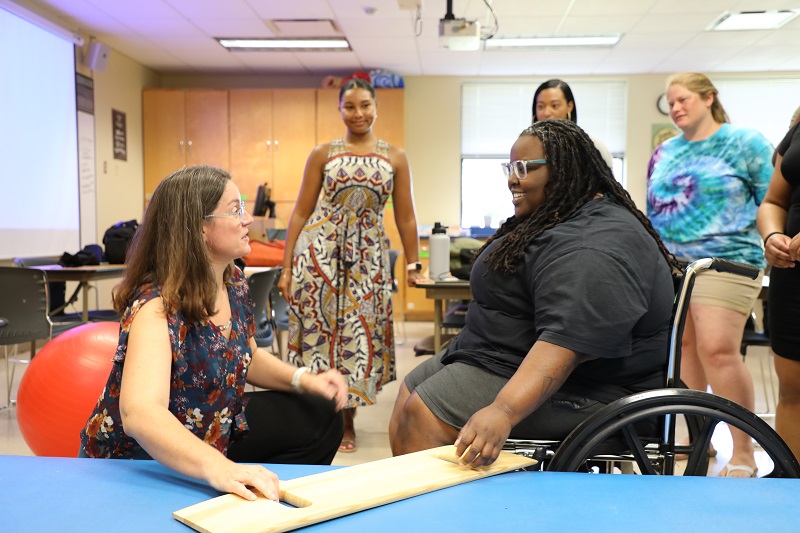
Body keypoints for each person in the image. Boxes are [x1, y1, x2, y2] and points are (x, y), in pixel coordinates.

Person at [389, 119, 676, 466]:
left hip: (593, 390)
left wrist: (504, 410)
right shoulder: (556, 215)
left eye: (524, 168)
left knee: (423, 413)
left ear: (566, 169)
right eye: (510, 167)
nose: (512, 178)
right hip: (502, 355)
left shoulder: (593, 245)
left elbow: (566, 344)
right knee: (408, 391)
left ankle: (444, 519)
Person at [79, 165, 348, 502]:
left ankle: (251, 498)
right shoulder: (156, 307)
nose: (247, 220)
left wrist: (305, 379)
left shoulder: (232, 281)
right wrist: (219, 468)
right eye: (236, 210)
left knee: (321, 413)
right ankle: (221, 487)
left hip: (210, 430)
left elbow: (246, 357)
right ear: (200, 228)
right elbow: (141, 413)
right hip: (140, 460)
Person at [278, 78, 423, 454]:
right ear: (340, 110)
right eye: (350, 107)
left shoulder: (395, 157)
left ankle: (346, 420)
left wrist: (413, 262)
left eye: (365, 106)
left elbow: (406, 217)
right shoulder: (323, 153)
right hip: (319, 257)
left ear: (376, 108)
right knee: (320, 336)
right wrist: (287, 266)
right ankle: (317, 415)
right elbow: (299, 212)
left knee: (358, 339)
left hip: (368, 260)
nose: (358, 114)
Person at [647, 72, 773, 477]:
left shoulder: (745, 143)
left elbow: (773, 200)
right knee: (682, 351)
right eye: (671, 103)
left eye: (683, 99)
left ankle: (744, 451)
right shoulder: (665, 151)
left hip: (729, 260)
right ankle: (695, 441)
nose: (677, 108)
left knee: (718, 350)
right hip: (673, 264)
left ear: (708, 98)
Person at [757, 104, 800, 460]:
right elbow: (774, 201)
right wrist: (772, 235)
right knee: (793, 392)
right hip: (793, 275)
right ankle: (790, 490)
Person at [531, 78, 613, 167]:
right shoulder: (528, 147)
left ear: (569, 106)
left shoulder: (592, 145)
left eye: (555, 105)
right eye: (540, 106)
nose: (546, 113)